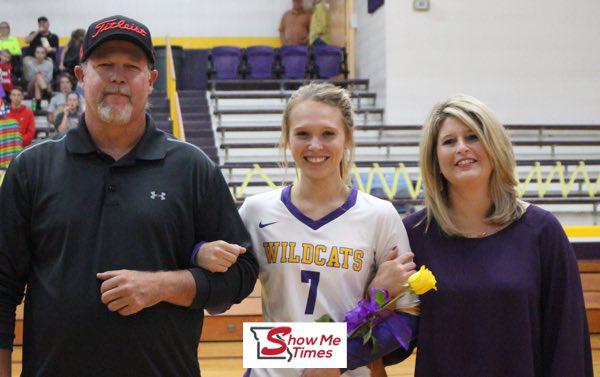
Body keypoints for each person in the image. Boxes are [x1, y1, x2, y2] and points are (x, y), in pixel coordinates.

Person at [0, 15, 258, 377]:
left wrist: (163, 285)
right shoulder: (32, 169)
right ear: (80, 76)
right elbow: (3, 285)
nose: (118, 77)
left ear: (151, 80)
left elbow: (242, 275)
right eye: (105, 65)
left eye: (132, 66)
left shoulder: (192, 168)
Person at [194, 82, 415, 377]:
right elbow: (219, 299)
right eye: (302, 134)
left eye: (328, 133)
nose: (314, 145)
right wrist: (200, 254)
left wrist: (335, 362)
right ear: (287, 138)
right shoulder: (256, 210)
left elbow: (407, 318)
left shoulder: (379, 215)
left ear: (347, 138)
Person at [383, 94, 593, 376]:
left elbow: (567, 342)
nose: (461, 148)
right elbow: (394, 346)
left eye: (472, 137)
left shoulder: (542, 231)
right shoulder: (414, 234)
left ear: (494, 145)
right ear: (435, 158)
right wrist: (379, 296)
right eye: (448, 141)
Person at [23, 46, 53, 110]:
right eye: (38, 52)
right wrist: (38, 76)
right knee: (37, 76)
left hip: (44, 85)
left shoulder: (49, 64)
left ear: (45, 55)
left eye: (42, 53)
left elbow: (49, 79)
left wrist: (40, 80)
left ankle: (38, 105)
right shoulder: (30, 63)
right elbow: (28, 78)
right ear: (35, 53)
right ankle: (46, 93)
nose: (39, 55)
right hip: (31, 87)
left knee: (37, 83)